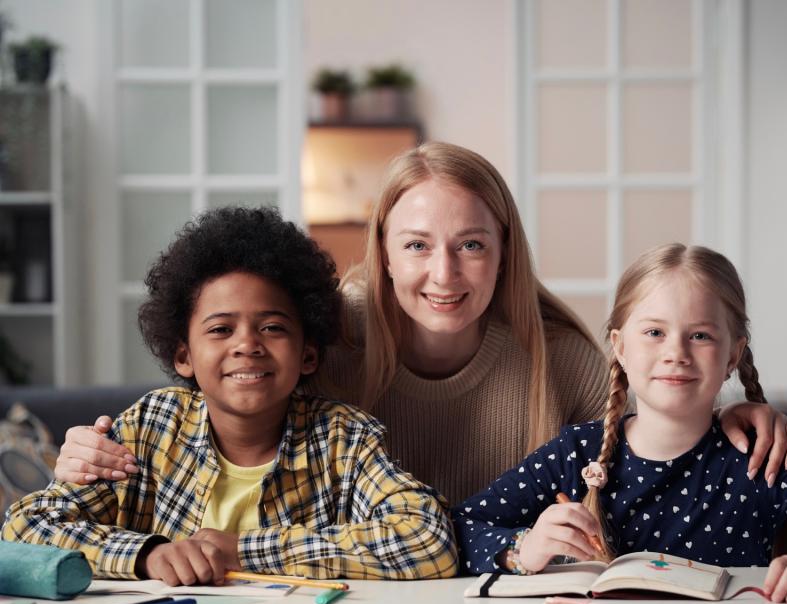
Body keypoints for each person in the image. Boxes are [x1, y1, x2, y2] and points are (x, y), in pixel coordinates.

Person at [54, 143, 787, 506]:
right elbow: (218, 415)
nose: (444, 275)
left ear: (504, 252)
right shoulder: (320, 340)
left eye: (471, 246)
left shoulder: (565, 361)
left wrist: (726, 413)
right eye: (417, 245)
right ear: (381, 251)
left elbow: (658, 442)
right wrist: (93, 455)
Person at [454, 243, 787, 603]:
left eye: (700, 335)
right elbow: (461, 528)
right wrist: (524, 549)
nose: (676, 354)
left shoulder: (762, 455)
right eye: (655, 332)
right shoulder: (576, 454)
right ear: (620, 347)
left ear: (733, 355)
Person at [3, 207, 457, 585]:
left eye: (273, 328)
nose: (247, 345)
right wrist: (147, 555)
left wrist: (243, 550)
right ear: (184, 356)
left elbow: (428, 539)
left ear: (309, 355)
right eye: (221, 329)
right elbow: (26, 527)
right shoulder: (147, 430)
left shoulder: (343, 438)